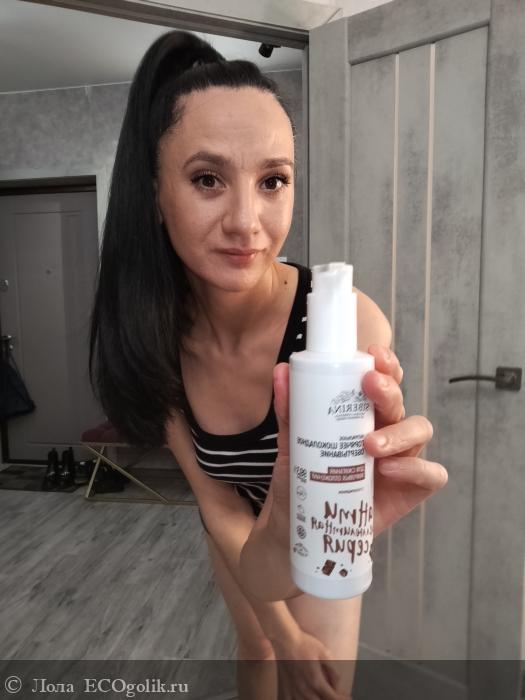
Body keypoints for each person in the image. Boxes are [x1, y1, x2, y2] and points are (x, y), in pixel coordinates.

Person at [89, 30, 448, 700]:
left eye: (272, 180)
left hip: (325, 524)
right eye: (207, 179)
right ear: (156, 195)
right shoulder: (154, 336)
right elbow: (218, 500)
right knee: (256, 650)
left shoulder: (344, 327)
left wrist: (372, 473)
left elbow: (348, 495)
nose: (246, 222)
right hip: (233, 521)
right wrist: (280, 632)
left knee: (321, 683)